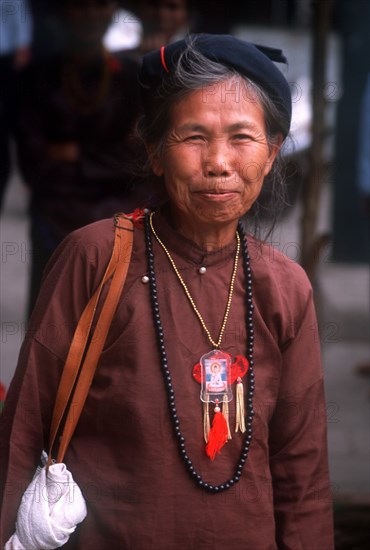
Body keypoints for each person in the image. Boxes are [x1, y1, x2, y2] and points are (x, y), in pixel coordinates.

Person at [0, 35, 334, 548]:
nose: (218, 162)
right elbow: (20, 433)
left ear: (270, 156)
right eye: (194, 137)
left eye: (242, 138)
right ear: (154, 152)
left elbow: (302, 474)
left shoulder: (285, 289)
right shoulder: (94, 259)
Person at [15, 0, 150, 314]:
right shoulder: (37, 79)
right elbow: (35, 166)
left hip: (120, 221)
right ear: (64, 12)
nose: (90, 14)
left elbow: (138, 161)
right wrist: (105, 160)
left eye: (99, 5)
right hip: (55, 221)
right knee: (52, 325)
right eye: (81, 6)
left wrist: (77, 156)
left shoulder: (132, 78)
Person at [0, 0, 33, 210]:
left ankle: (29, 179)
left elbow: (18, 9)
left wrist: (23, 43)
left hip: (7, 60)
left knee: (14, 125)